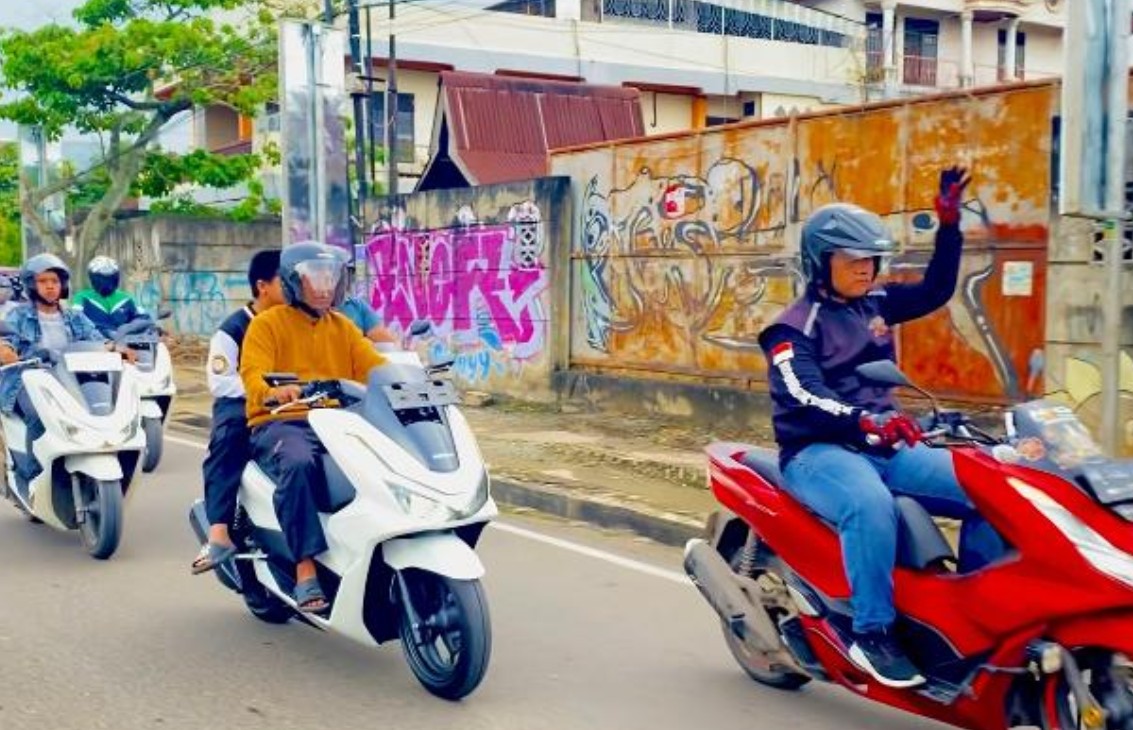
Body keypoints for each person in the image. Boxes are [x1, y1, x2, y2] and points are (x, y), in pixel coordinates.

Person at [757, 167, 1003, 689]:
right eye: (854, 259)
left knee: (991, 487)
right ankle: (872, 633)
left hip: (887, 441)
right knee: (870, 506)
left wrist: (950, 225)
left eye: (872, 258)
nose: (867, 268)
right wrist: (862, 419)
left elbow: (936, 289)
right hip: (818, 452)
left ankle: (978, 611)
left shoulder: (877, 302)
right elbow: (803, 393)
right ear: (822, 262)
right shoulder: (791, 327)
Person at [240, 241, 388, 613]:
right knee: (299, 463)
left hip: (338, 422)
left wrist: (407, 381)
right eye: (314, 277)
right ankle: (305, 568)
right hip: (283, 422)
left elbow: (375, 367)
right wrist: (274, 392)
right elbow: (252, 374)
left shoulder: (344, 327)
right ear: (292, 281)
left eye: (330, 277)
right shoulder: (267, 325)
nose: (324, 286)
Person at [0, 254, 135, 485]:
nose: (51, 286)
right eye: (43, 281)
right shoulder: (18, 316)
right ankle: (32, 475)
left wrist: (115, 349)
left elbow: (96, 339)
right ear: (32, 285)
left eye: (55, 281)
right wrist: (6, 351)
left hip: (67, 378)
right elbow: (7, 340)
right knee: (38, 417)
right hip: (27, 380)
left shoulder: (74, 316)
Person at [190, 249, 285, 574]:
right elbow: (221, 383)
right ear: (263, 286)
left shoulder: (297, 321)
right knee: (228, 441)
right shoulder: (232, 329)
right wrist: (264, 393)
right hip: (243, 403)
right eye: (284, 279)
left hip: (294, 404)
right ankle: (219, 531)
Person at [71, 256, 144, 338]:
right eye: (101, 279)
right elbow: (75, 321)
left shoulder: (126, 299)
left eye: (109, 279)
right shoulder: (82, 297)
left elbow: (143, 319)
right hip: (91, 345)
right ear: (93, 279)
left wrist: (130, 328)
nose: (106, 283)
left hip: (123, 344)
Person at [338, 262, 397, 343]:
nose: (346, 280)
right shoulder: (317, 309)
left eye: (348, 274)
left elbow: (384, 339)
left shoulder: (358, 306)